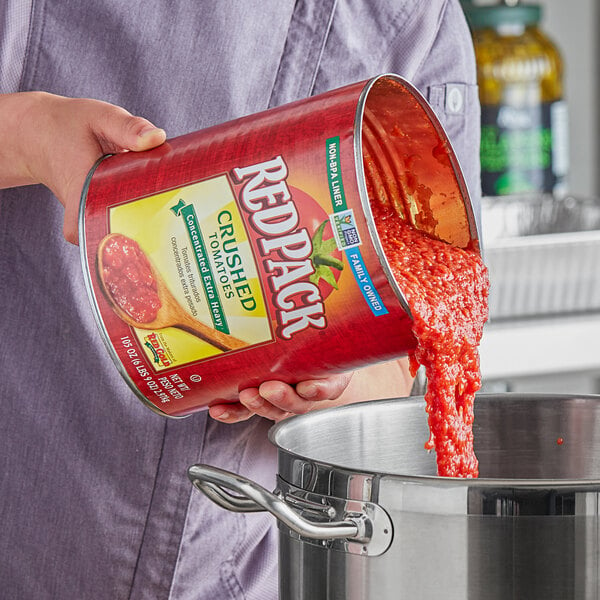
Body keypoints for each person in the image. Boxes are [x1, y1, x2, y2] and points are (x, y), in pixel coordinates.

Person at [0, 1, 480, 598]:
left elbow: (417, 351)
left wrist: (333, 389)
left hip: (245, 565)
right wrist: (24, 133)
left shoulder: (418, 19)